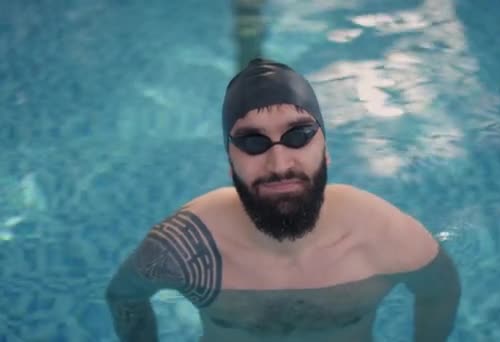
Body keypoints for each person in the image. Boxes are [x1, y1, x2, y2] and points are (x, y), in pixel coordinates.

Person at [105, 58, 461, 342]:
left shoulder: (386, 236)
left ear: (326, 150)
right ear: (231, 163)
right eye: (252, 142)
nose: (279, 164)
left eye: (298, 135)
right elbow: (125, 297)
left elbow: (441, 290)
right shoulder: (188, 244)